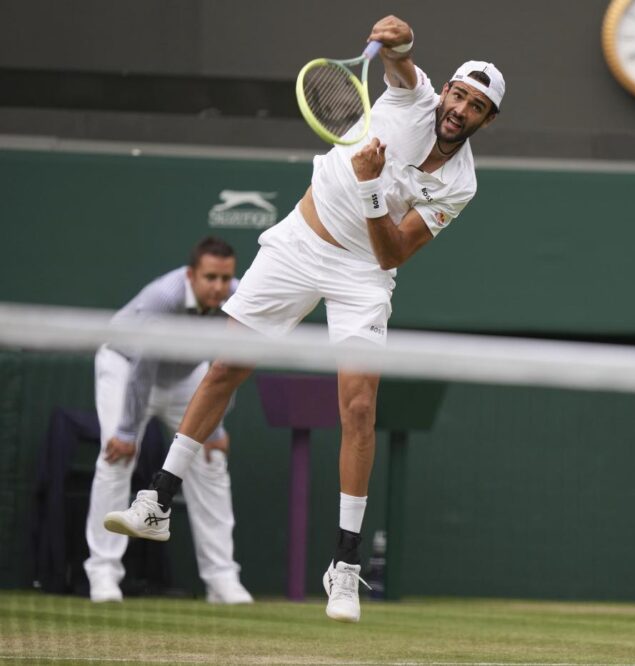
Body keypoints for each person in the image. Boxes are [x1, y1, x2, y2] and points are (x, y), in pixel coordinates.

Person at [103, 14, 504, 623]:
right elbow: (399, 55)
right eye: (458, 94)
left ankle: (344, 568)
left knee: (360, 407)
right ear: (444, 90)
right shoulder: (412, 92)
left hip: (363, 274)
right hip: (299, 244)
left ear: (484, 121)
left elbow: (391, 252)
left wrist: (371, 188)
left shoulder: (461, 184)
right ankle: (156, 500)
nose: (460, 109)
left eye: (475, 106)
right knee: (226, 366)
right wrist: (399, 38)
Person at [88, 237, 252, 605]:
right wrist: (128, 432)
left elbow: (231, 364)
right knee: (116, 456)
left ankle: (222, 578)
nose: (218, 286)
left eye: (225, 278)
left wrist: (216, 427)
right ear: (191, 275)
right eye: (210, 277)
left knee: (211, 461)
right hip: (126, 366)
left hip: (186, 376)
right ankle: (103, 573)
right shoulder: (163, 298)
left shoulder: (239, 297)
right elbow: (143, 367)